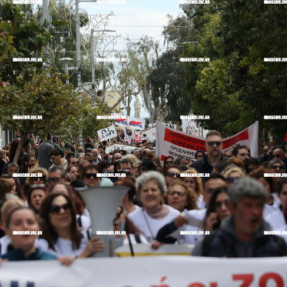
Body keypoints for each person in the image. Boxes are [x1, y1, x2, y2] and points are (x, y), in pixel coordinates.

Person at [192, 177, 287, 257]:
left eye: (259, 205)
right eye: (248, 205)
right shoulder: (208, 245)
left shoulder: (277, 246)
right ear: (232, 207)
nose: (255, 212)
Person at [39, 193, 104, 257]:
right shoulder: (40, 245)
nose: (62, 211)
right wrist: (83, 255)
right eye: (55, 209)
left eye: (66, 207)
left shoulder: (87, 239)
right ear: (47, 215)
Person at [127, 171, 180, 244]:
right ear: (140, 195)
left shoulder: (176, 216)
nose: (149, 193)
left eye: (153, 190)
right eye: (145, 190)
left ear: (162, 193)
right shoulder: (131, 219)